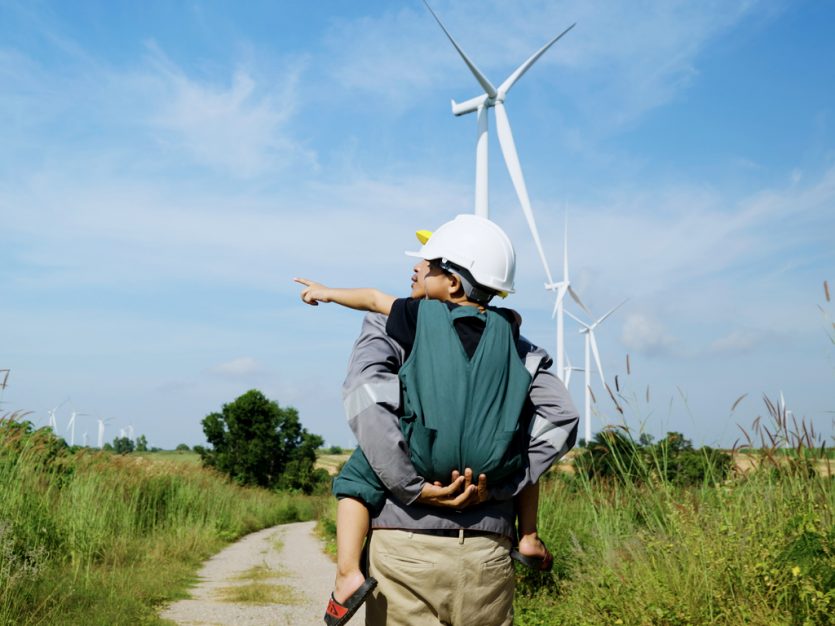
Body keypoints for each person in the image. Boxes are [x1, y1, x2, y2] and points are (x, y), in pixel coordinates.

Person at [295, 216, 553, 626]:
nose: (416, 268)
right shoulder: (512, 340)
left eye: (428, 263)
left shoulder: (410, 318)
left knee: (359, 472)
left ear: (451, 282)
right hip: (489, 548)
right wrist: (505, 478)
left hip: (407, 540)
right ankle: (529, 535)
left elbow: (368, 393)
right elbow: (561, 417)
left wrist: (325, 292)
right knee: (520, 448)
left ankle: (347, 574)